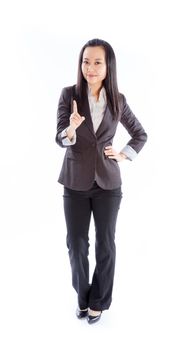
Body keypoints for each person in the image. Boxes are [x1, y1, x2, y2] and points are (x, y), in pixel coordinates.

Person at [56, 38, 147, 324]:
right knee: (76, 243)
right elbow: (60, 138)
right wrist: (70, 128)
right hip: (75, 181)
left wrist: (123, 154)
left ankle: (99, 301)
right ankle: (83, 296)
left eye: (97, 62)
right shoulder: (68, 94)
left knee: (105, 243)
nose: (90, 68)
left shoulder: (118, 100)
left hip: (108, 183)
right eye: (86, 61)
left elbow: (140, 134)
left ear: (108, 67)